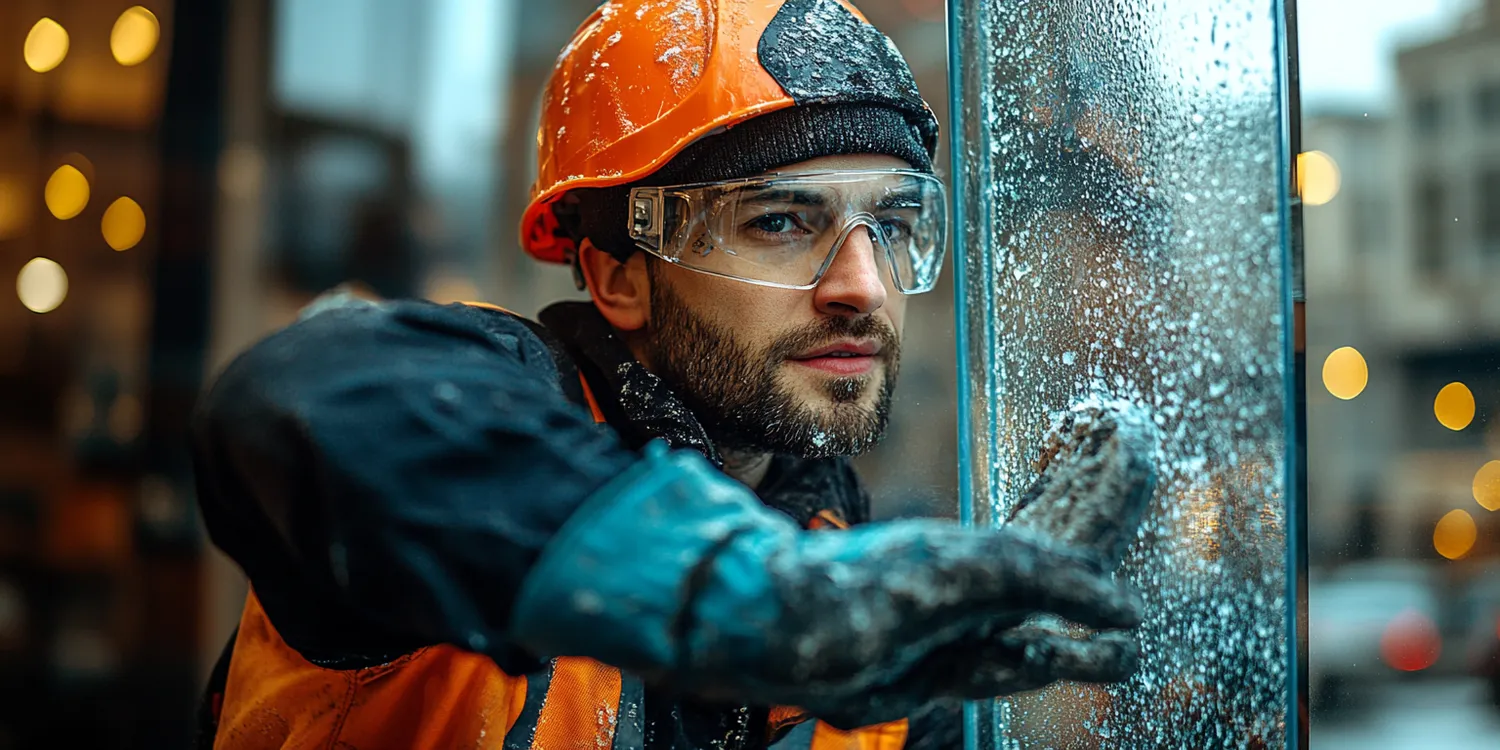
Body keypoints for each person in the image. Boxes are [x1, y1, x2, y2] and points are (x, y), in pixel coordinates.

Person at [191, 0, 1148, 748]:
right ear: (617, 272)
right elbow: (296, 393)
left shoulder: (854, 589)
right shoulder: (505, 420)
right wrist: (742, 596)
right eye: (781, 222)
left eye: (891, 226)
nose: (864, 287)